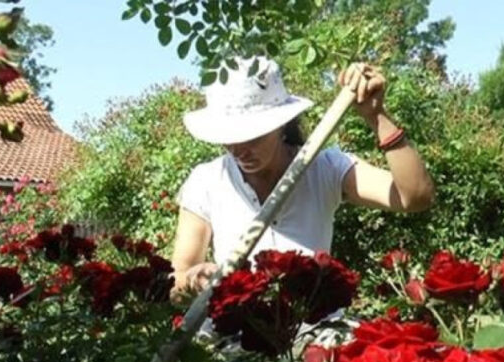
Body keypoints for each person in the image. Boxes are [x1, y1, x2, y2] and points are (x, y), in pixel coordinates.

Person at [172, 57, 434, 297]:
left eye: (251, 136)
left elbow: (415, 197)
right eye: (228, 137)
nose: (238, 149)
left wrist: (376, 116)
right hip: (235, 329)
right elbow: (179, 278)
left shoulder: (326, 168)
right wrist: (194, 279)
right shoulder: (206, 181)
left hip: (315, 326)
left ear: (281, 125)